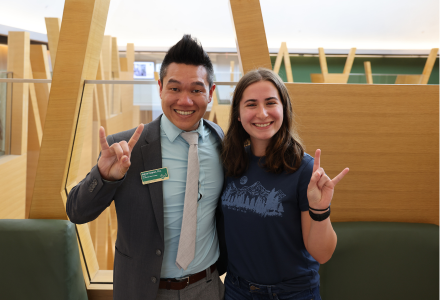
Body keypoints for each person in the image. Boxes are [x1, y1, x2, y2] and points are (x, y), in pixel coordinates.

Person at [67, 35, 227, 300]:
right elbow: (76, 211)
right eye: (174, 88)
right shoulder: (125, 147)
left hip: (208, 287)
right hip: (144, 291)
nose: (185, 101)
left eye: (196, 90)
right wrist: (104, 177)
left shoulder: (219, 139)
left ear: (210, 93)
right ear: (160, 87)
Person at [220, 68, 349, 300]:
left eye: (271, 102)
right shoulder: (229, 163)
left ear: (283, 109)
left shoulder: (303, 169)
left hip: (292, 293)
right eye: (251, 104)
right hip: (237, 290)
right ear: (238, 114)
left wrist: (320, 210)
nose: (262, 113)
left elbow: (322, 254)